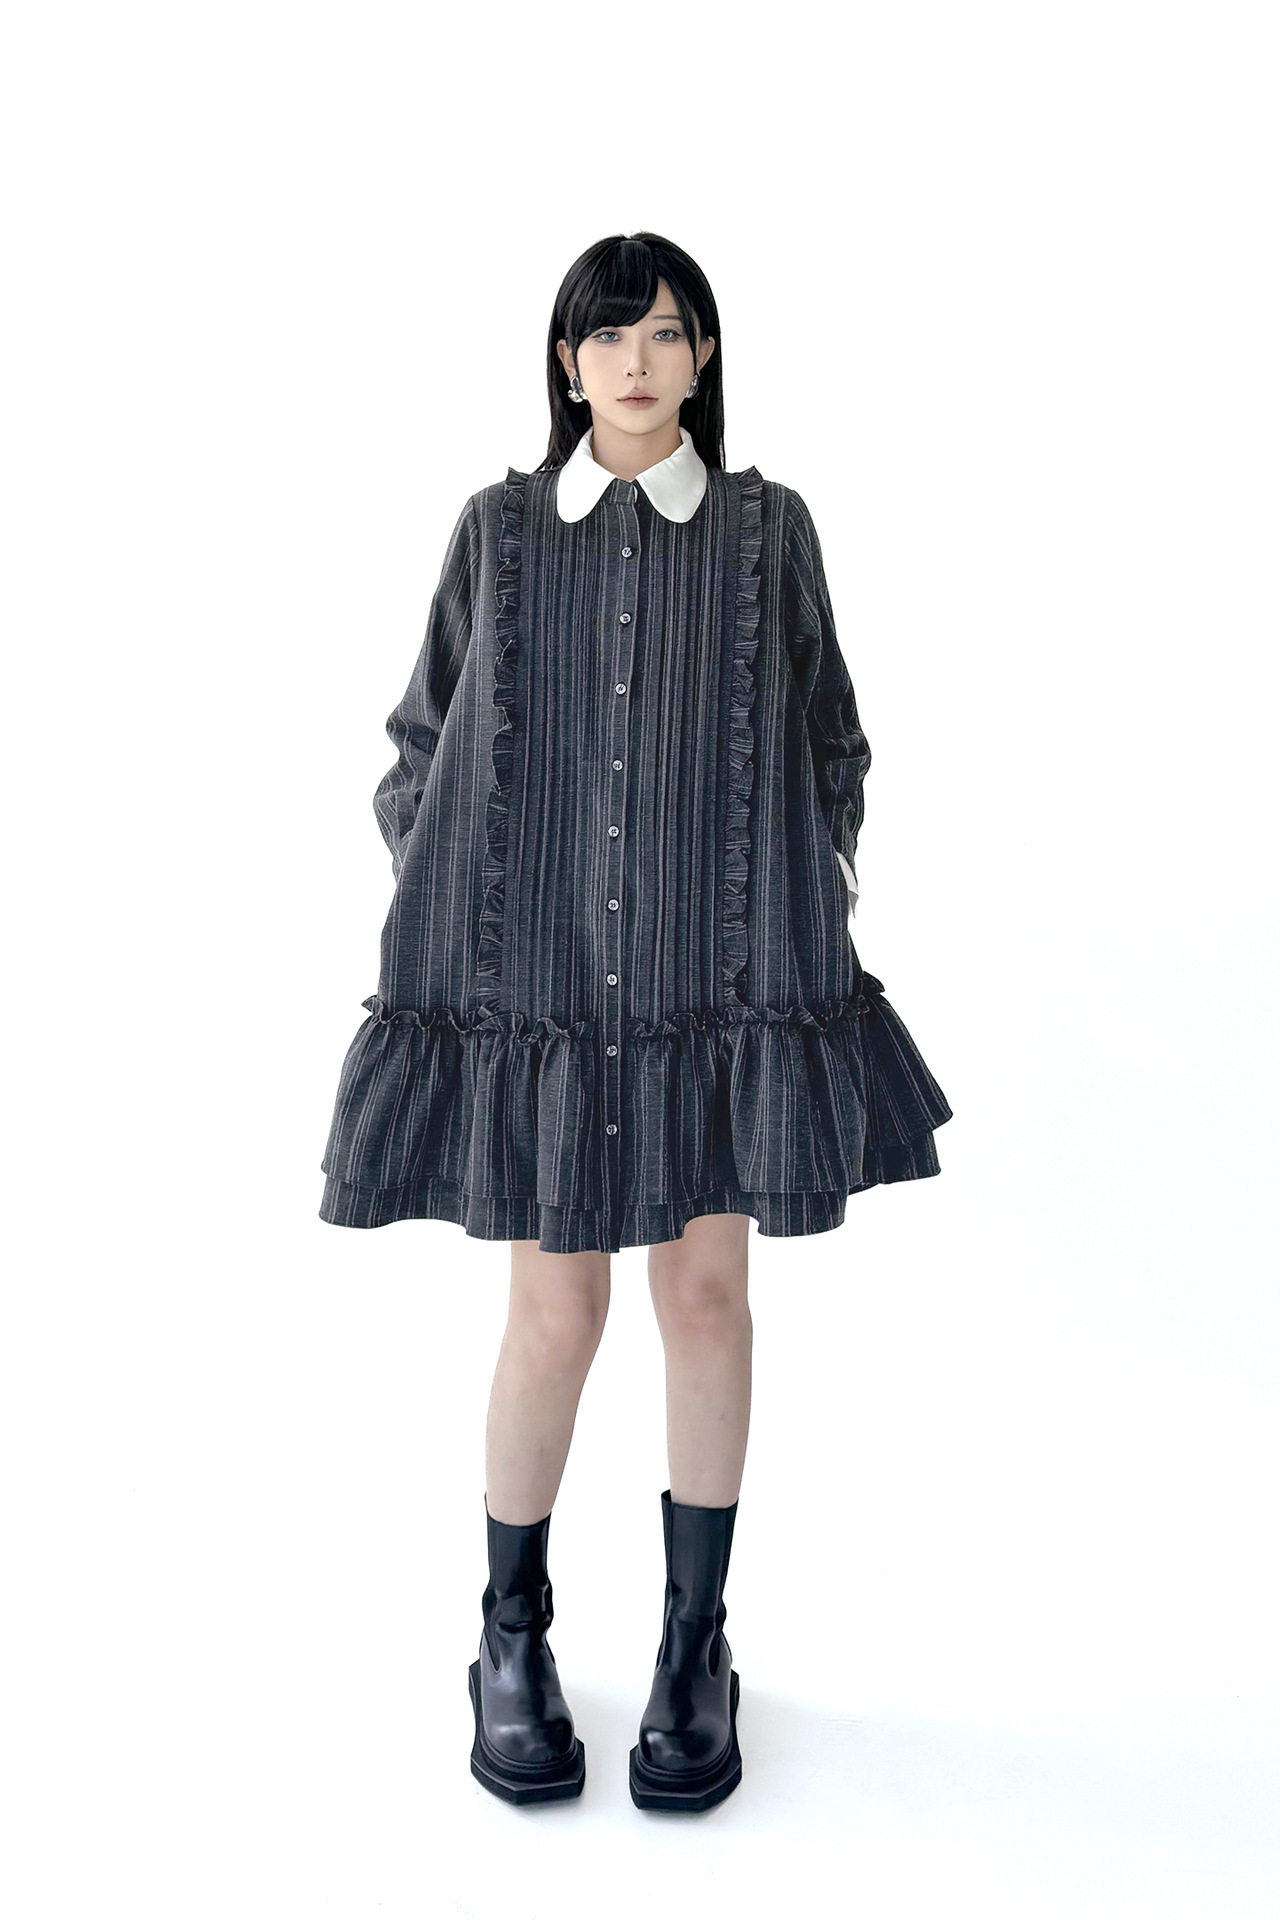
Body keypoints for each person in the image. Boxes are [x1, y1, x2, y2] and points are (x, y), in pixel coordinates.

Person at [317, 231, 953, 1812]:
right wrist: (469, 907)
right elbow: (420, 745)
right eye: (610, 337)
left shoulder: (765, 531)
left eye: (667, 333)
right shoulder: (499, 532)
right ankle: (509, 1636)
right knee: (554, 1314)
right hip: (541, 997)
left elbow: (832, 742)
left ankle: (693, 1646)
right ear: (566, 363)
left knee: (709, 1298)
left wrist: (797, 904)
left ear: (704, 357)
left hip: (714, 992)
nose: (639, 361)